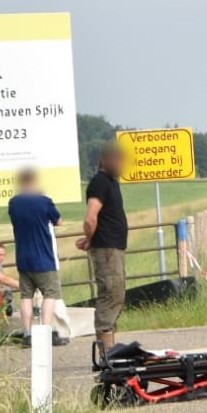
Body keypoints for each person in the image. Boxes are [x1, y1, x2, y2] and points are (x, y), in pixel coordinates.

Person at [7, 167, 69, 345]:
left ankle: (28, 333)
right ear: (34, 181)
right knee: (50, 294)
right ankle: (45, 331)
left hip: (23, 257)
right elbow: (58, 221)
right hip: (44, 257)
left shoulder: (13, 203)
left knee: (26, 296)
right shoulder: (44, 201)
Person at [78, 144, 130, 351]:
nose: (120, 164)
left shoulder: (111, 183)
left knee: (117, 294)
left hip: (114, 247)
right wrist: (90, 239)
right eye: (116, 160)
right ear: (104, 161)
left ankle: (111, 348)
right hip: (107, 249)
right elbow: (91, 218)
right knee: (110, 294)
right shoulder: (100, 183)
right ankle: (106, 352)